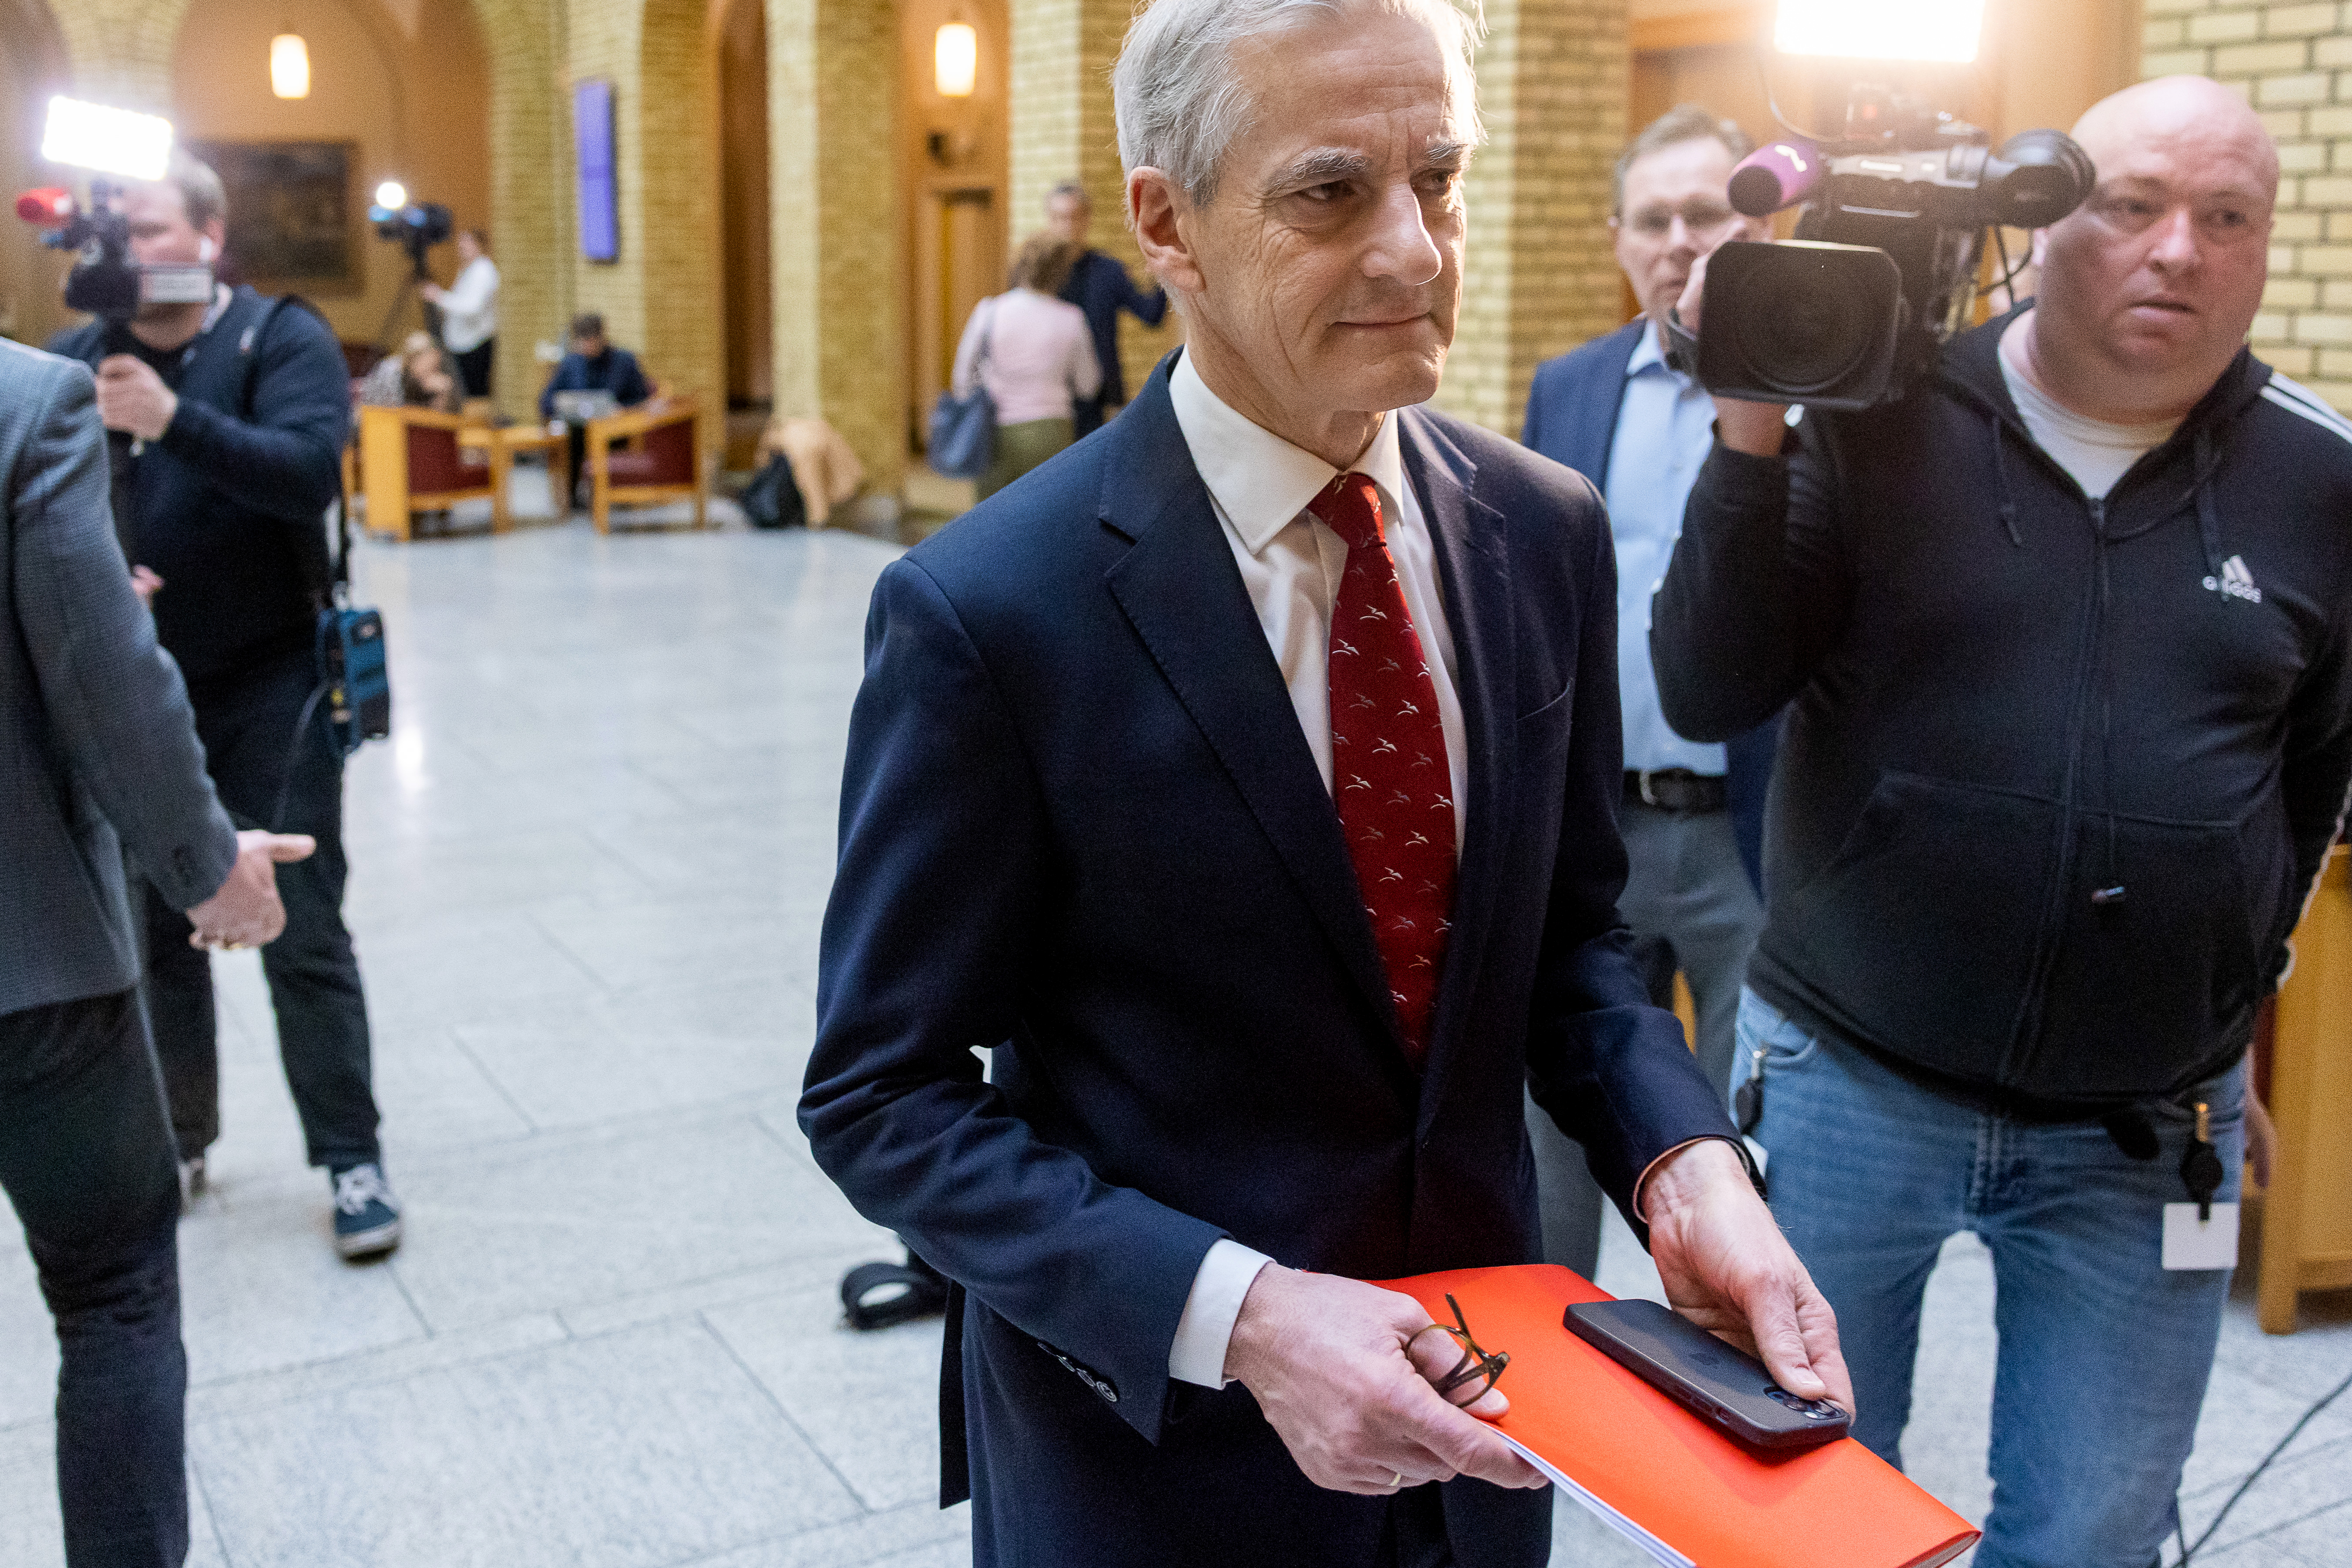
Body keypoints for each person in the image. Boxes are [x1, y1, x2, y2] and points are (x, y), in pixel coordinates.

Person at [800, 3, 1849, 1565]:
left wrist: (1681, 1162)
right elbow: (880, 1094)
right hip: (1162, 1474)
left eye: (1438, 179)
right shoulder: (992, 607)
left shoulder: (1538, 531)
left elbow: (1571, 946)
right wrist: (1243, 1317)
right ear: (1168, 223)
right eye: (1330, 192)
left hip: (1486, 1443)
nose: (1414, 250)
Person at [1653, 76, 2350, 1568]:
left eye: (2224, 216)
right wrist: (1747, 428)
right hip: (1845, 1078)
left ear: (2265, 243)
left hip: (2142, 1128)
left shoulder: (2321, 480)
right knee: (1795, 1511)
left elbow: (2308, 776)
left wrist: (2230, 1003)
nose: (2177, 248)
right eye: (2131, 204)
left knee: (2091, 1529)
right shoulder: (1879, 418)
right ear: (2040, 223)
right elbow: (1709, 683)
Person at [49, 149, 402, 1263]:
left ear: (209, 237)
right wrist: (99, 580)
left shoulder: (274, 336)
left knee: (301, 922)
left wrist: (171, 419)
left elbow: (306, 473)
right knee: (156, 930)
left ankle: (350, 1155)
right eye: (115, 232)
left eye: (154, 228)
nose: (132, 251)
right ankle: (183, 1139)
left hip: (272, 680)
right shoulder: (73, 361)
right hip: (131, 695)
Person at [2, 334, 313, 1567]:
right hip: (32, 961)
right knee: (114, 1296)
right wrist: (212, 866)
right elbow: (107, 679)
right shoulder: (28, 403)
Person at [1517, 105, 1776, 1278]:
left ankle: (1724, 1358)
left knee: (1743, 1155)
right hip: (1597, 829)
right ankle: (1548, 1345)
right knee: (1554, 1131)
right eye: (1654, 219)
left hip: (1748, 837)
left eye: (1707, 214)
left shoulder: (1816, 396)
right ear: (1618, 239)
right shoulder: (1566, 389)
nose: (1680, 242)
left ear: (1757, 231)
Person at [949, 234, 1100, 500]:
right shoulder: (1072, 318)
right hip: (1053, 431)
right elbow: (1089, 386)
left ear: (1019, 266)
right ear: (1062, 273)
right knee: (1049, 516)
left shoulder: (990, 311)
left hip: (996, 431)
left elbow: (961, 379)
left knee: (991, 517)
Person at [1046, 181, 1169, 436]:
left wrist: (1162, 269)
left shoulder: (1108, 270)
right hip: (1053, 397)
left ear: (1086, 220)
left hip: (1103, 398)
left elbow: (1151, 316)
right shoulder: (1042, 277)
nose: (1067, 225)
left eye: (1073, 217)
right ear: (1049, 220)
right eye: (1059, 218)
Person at [539, 312, 652, 507]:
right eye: (582, 342)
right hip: (577, 431)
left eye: (591, 341)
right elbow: (547, 400)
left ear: (602, 337)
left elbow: (642, 398)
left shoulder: (624, 361)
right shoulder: (570, 363)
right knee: (570, 438)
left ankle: (612, 494)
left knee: (599, 438)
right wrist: (563, 408)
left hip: (615, 432)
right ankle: (572, 499)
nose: (587, 347)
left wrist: (623, 409)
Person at [420, 227, 499, 399]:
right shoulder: (468, 270)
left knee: (475, 395)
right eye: (460, 242)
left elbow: (472, 308)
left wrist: (439, 297)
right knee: (466, 394)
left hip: (475, 344)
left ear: (479, 244)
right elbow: (458, 302)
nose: (462, 246)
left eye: (467, 241)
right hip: (464, 344)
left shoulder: (483, 271)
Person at [359, 331, 460, 413]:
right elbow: (392, 416)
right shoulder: (391, 372)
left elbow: (437, 422)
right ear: (412, 359)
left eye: (436, 368)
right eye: (431, 368)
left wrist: (443, 395)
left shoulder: (421, 381)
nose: (433, 375)